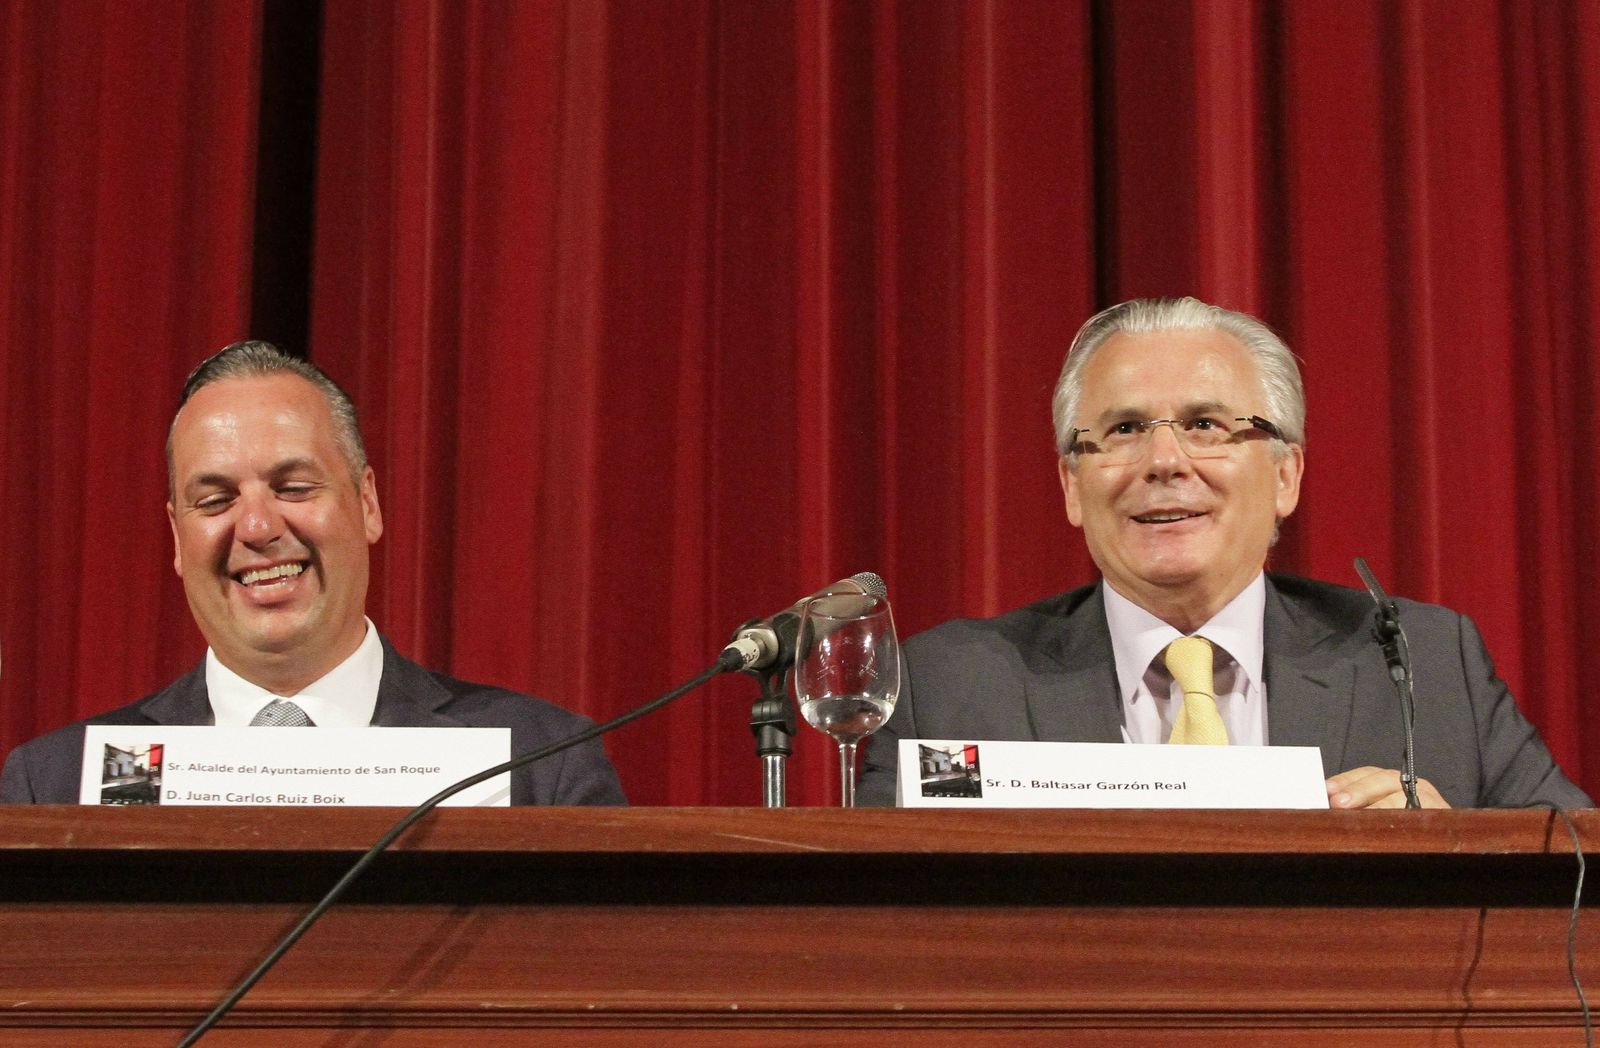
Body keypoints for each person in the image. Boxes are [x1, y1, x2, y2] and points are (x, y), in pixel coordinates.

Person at [858, 297, 1589, 809]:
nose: (1164, 461)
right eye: (1123, 430)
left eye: (1206, 425)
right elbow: (874, 927)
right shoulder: (950, 688)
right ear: (1072, 485)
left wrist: (1449, 851)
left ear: (1285, 475)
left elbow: (1577, 883)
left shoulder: (1421, 664)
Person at [0, 342, 625, 805]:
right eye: (215, 500)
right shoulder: (55, 785)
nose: (257, 527)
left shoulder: (540, 767)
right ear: (177, 537)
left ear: (367, 503)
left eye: (294, 487)